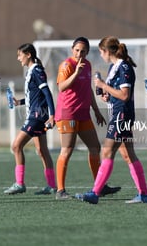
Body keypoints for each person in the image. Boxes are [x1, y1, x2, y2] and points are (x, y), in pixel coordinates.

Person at [75, 36, 147, 204]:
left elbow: (125, 95)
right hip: (118, 113)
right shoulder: (113, 67)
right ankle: (144, 194)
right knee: (128, 154)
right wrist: (107, 96)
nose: (100, 55)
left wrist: (103, 86)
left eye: (101, 52)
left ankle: (95, 193)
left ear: (107, 51)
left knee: (107, 152)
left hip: (121, 115)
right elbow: (116, 94)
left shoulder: (124, 67)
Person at [54, 36, 121, 200]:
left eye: (83, 51)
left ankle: (100, 186)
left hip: (83, 114)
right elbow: (61, 87)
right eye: (77, 50)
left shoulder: (88, 65)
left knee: (95, 148)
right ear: (72, 50)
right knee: (67, 150)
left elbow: (88, 90)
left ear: (87, 52)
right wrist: (76, 73)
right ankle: (60, 191)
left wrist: (96, 111)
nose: (79, 54)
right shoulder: (67, 65)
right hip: (67, 113)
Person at [3, 43, 57, 195]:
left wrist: (52, 115)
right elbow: (34, 96)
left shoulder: (37, 70)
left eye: (20, 55)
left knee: (16, 146)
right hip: (36, 115)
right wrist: (19, 102)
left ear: (28, 54)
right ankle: (52, 185)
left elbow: (47, 93)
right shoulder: (31, 72)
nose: (18, 58)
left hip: (37, 117)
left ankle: (20, 183)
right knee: (42, 150)